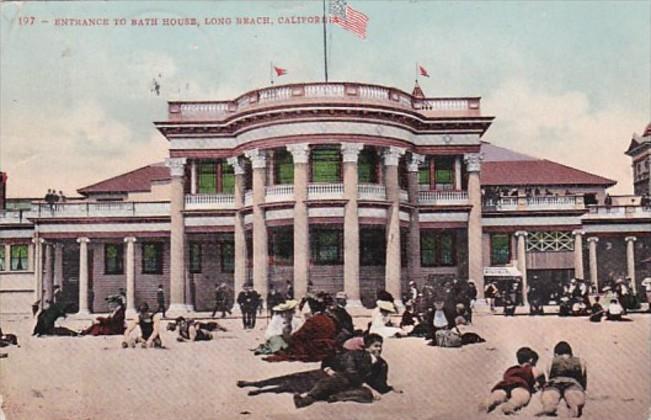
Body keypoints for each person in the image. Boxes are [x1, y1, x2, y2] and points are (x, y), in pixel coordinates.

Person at [293, 333, 402, 408]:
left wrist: (389, 388)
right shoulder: (354, 355)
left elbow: (379, 382)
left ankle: (335, 397)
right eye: (375, 346)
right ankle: (306, 399)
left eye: (380, 346)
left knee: (366, 395)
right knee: (328, 383)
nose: (378, 349)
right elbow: (350, 372)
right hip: (343, 379)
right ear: (367, 347)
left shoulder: (382, 364)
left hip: (355, 386)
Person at [479, 347, 545, 414]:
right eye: (535, 362)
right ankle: (510, 406)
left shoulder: (511, 369)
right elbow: (541, 375)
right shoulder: (531, 368)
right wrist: (541, 384)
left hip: (504, 384)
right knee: (521, 396)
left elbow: (505, 376)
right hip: (520, 384)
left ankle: (488, 402)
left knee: (499, 394)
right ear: (531, 360)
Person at [539, 341, 587, 418]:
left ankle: (549, 405)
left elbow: (547, 377)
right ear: (570, 353)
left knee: (551, 394)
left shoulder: (551, 361)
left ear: (556, 354)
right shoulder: (581, 361)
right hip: (573, 383)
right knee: (573, 395)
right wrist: (582, 390)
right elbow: (583, 379)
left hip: (554, 382)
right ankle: (575, 405)